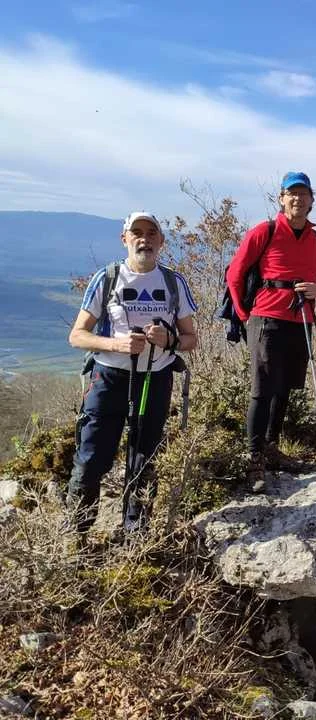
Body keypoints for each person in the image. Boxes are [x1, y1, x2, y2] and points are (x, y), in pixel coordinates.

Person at [67, 211, 198, 535]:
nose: (144, 239)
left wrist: (169, 340)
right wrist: (116, 344)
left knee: (144, 460)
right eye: (137, 232)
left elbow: (191, 339)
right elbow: (77, 336)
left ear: (161, 241)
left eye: (151, 233)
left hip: (155, 378)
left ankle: (135, 536)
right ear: (124, 238)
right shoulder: (107, 278)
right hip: (109, 377)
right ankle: (77, 534)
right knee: (91, 458)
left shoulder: (173, 282)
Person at [225, 171, 316, 491]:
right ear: (281, 199)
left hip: (301, 320)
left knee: (284, 387)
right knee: (263, 388)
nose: (298, 199)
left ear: (312, 200)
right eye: (291, 193)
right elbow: (235, 273)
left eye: (303, 193)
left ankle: (271, 447)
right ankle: (254, 457)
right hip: (267, 317)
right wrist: (245, 314)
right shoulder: (264, 231)